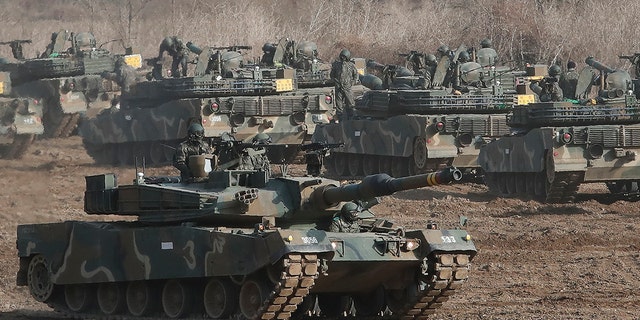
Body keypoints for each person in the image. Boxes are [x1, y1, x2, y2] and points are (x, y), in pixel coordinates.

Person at [330, 49, 359, 120]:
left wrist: (352, 83)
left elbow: (356, 75)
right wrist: (336, 81)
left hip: (347, 87)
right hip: (339, 87)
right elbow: (332, 75)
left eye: (345, 57)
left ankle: (351, 118)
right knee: (339, 106)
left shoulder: (351, 65)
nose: (343, 58)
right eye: (342, 56)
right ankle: (340, 119)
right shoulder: (336, 65)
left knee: (351, 104)